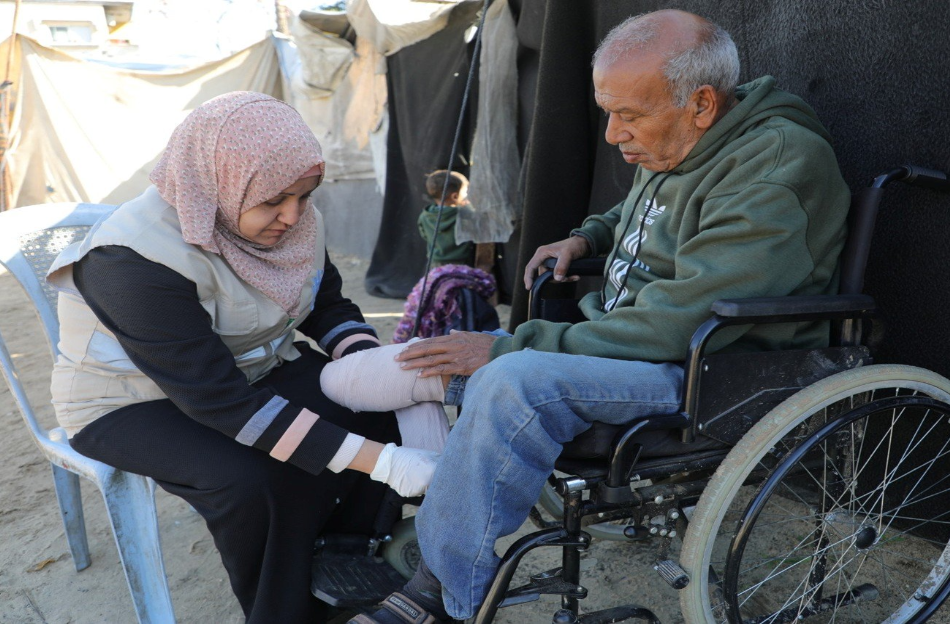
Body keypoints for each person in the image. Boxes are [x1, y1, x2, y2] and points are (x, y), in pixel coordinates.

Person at [325, 9, 851, 623]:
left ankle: (441, 589)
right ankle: (421, 505)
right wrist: (586, 239)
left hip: (706, 368)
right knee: (380, 370)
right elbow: (643, 215)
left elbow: (676, 325)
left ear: (702, 104)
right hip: (622, 344)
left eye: (628, 116)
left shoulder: (772, 168)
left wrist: (506, 349)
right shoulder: (687, 139)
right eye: (608, 112)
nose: (612, 135)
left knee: (508, 380)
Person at [45, 92, 441, 623]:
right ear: (221, 181)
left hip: (248, 367)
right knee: (251, 480)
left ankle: (354, 558)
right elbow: (221, 401)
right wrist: (387, 464)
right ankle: (286, 610)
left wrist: (366, 364)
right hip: (132, 398)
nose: (293, 215)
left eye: (306, 194)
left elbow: (326, 302)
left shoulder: (293, 218)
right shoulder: (128, 262)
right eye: (275, 199)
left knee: (372, 409)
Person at [418, 169, 474, 267]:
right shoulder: (464, 214)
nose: (466, 195)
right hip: (462, 264)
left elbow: (424, 235)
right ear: (455, 196)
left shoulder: (425, 216)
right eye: (465, 192)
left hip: (435, 264)